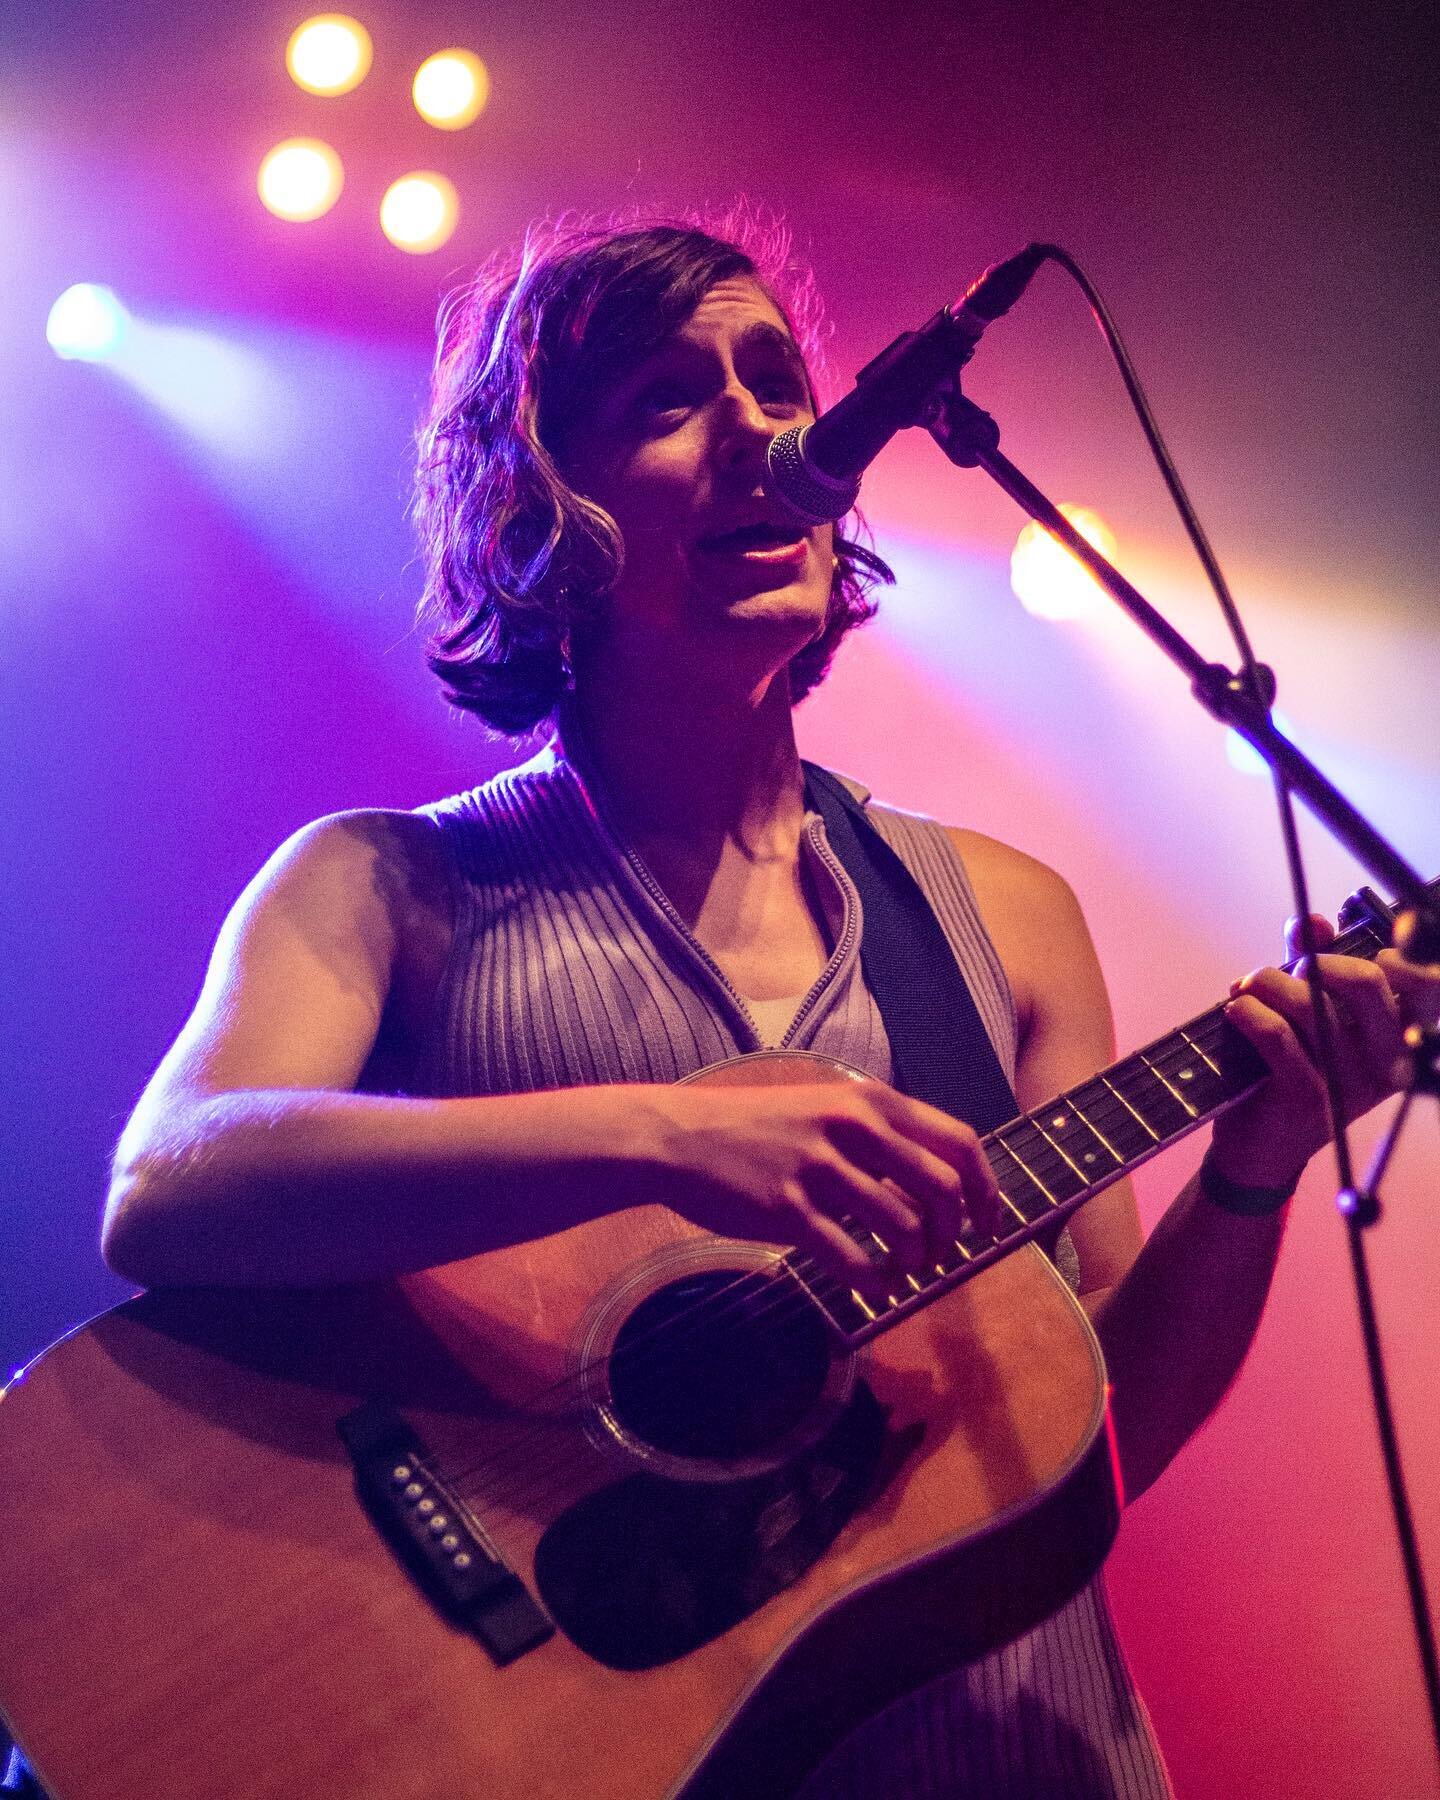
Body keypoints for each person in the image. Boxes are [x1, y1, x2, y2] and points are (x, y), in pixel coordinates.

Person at [100, 215, 1437, 1799]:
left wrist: (1256, 1163)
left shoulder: (1001, 912)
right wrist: (668, 1134)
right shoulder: (386, 884)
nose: (765, 430)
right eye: (669, 400)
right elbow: (170, 1190)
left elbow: (1108, 1437)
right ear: (541, 507)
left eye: (775, 379)